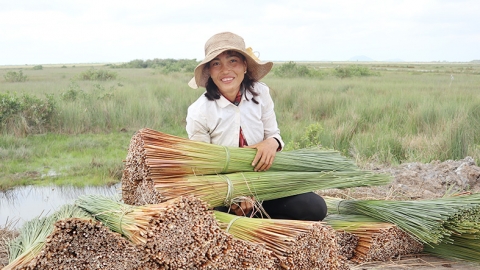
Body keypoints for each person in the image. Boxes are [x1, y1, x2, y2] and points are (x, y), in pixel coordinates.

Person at [186, 31, 327, 221]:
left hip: (262, 182)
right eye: (216, 63)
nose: (225, 69)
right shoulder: (199, 111)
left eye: (232, 61)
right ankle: (246, 219)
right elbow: (203, 166)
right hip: (224, 187)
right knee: (204, 215)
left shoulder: (260, 93)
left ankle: (257, 219)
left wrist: (272, 143)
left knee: (315, 208)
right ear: (209, 72)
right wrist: (234, 193)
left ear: (245, 65)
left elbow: (273, 134)